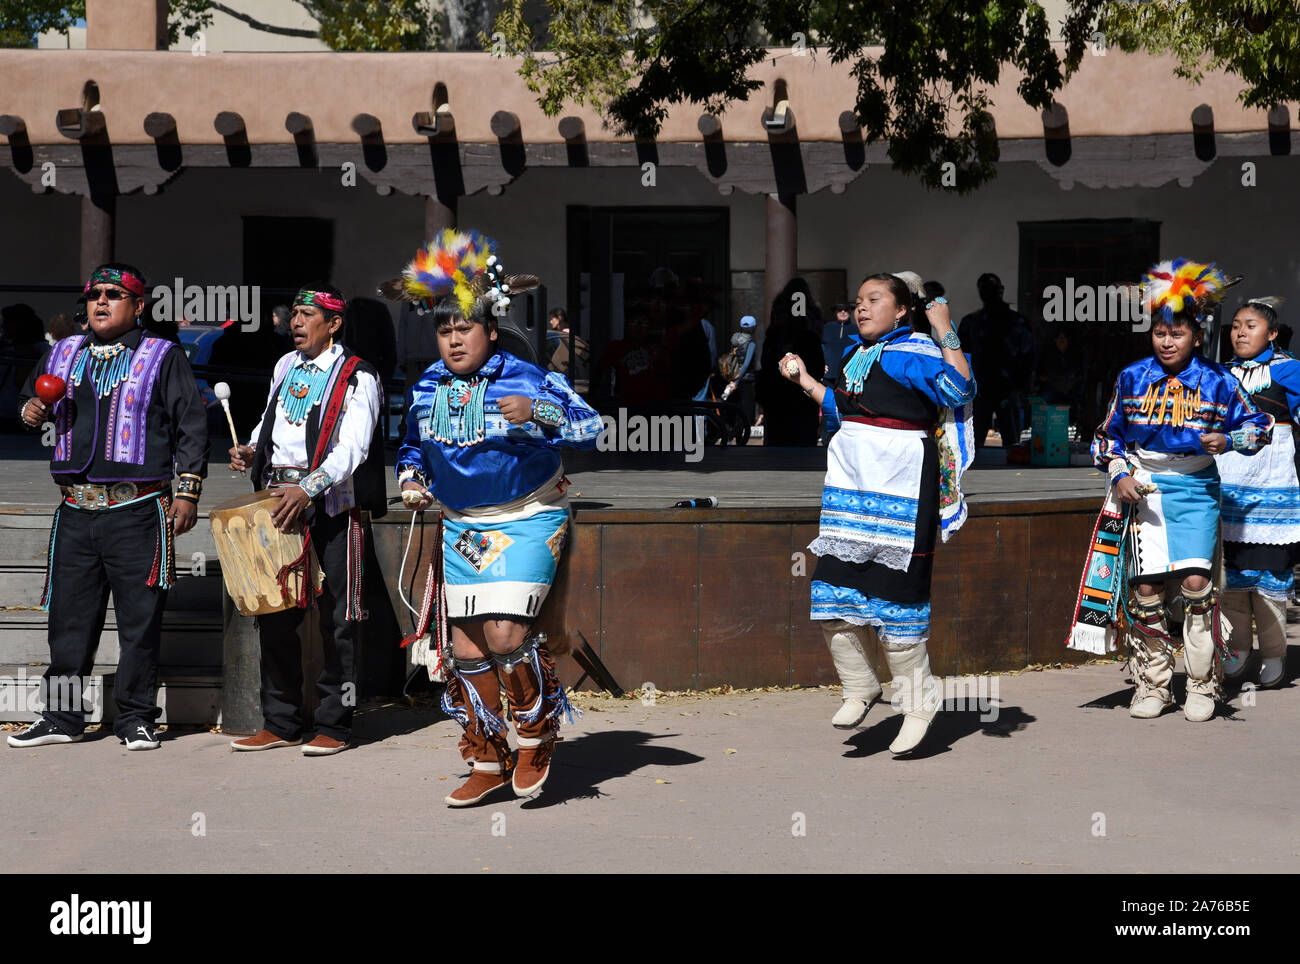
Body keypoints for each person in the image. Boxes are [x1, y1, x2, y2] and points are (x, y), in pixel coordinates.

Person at [386, 230, 603, 806]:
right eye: (444, 330)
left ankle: (535, 735)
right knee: (466, 651)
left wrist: (540, 411)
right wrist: (411, 479)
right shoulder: (428, 387)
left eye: (464, 329)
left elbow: (593, 427)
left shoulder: (526, 377)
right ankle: (487, 753)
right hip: (462, 524)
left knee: (507, 635)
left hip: (531, 515)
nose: (453, 340)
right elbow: (412, 448)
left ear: (489, 330)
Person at [7, 263, 208, 750]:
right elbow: (29, 400)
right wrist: (29, 409)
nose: (100, 302)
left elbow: (190, 425)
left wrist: (186, 493)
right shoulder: (62, 352)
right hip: (75, 510)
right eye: (94, 294)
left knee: (139, 621)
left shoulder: (163, 356)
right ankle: (61, 718)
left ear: (138, 306)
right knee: (68, 624)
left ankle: (136, 716)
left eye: (114, 295)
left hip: (137, 510)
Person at [1066, 259, 1273, 722]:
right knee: (1145, 587)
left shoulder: (1219, 381)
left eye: (1177, 333)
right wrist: (1119, 473)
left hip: (1197, 487)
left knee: (1197, 584)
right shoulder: (1132, 377)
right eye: (1160, 333)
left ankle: (1202, 684)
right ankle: (1153, 683)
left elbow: (1261, 427)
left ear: (1196, 337)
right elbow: (1106, 436)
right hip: (1145, 489)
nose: (1166, 341)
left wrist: (1230, 440)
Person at [780, 274, 976, 755]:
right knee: (832, 591)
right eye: (858, 301)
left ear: (902, 309)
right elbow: (842, 412)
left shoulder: (918, 351)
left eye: (874, 300)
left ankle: (917, 703)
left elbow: (959, 391)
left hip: (904, 490)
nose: (862, 308)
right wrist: (804, 380)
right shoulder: (852, 355)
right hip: (853, 490)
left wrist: (945, 327)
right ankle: (860, 686)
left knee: (897, 602)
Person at [227, 282, 387, 756]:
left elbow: (353, 448)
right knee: (276, 612)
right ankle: (279, 721)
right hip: (278, 500)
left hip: (331, 506)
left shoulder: (359, 376)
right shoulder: (285, 366)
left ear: (333, 324)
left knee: (338, 617)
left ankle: (335, 725)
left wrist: (309, 488)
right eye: (293, 313)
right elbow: (271, 419)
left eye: (306, 314)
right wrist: (252, 448)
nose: (294, 321)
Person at [1216, 297, 1300, 689]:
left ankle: (1273, 653)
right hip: (1229, 491)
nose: (1241, 332)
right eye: (1235, 325)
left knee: (1269, 574)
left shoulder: (1290, 371)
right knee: (1232, 575)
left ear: (1272, 333)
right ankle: (1237, 650)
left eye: (1250, 325)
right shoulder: (1220, 375)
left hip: (1273, 491)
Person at [958, 273, 1034, 448]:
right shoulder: (972, 322)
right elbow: (961, 356)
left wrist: (1023, 386)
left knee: (1011, 441)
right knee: (975, 442)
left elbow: (1028, 356)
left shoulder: (1017, 321)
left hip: (1006, 388)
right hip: (982, 388)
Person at [759, 277, 825, 446]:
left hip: (778, 399)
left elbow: (766, 364)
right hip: (799, 399)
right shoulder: (807, 330)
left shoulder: (775, 336)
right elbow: (817, 367)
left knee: (777, 445)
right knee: (802, 444)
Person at [720, 315, 759, 427]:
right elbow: (746, 364)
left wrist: (732, 380)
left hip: (732, 377)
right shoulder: (751, 343)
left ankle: (732, 430)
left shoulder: (734, 339)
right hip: (745, 379)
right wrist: (737, 381)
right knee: (746, 406)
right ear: (753, 327)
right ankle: (743, 431)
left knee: (735, 405)